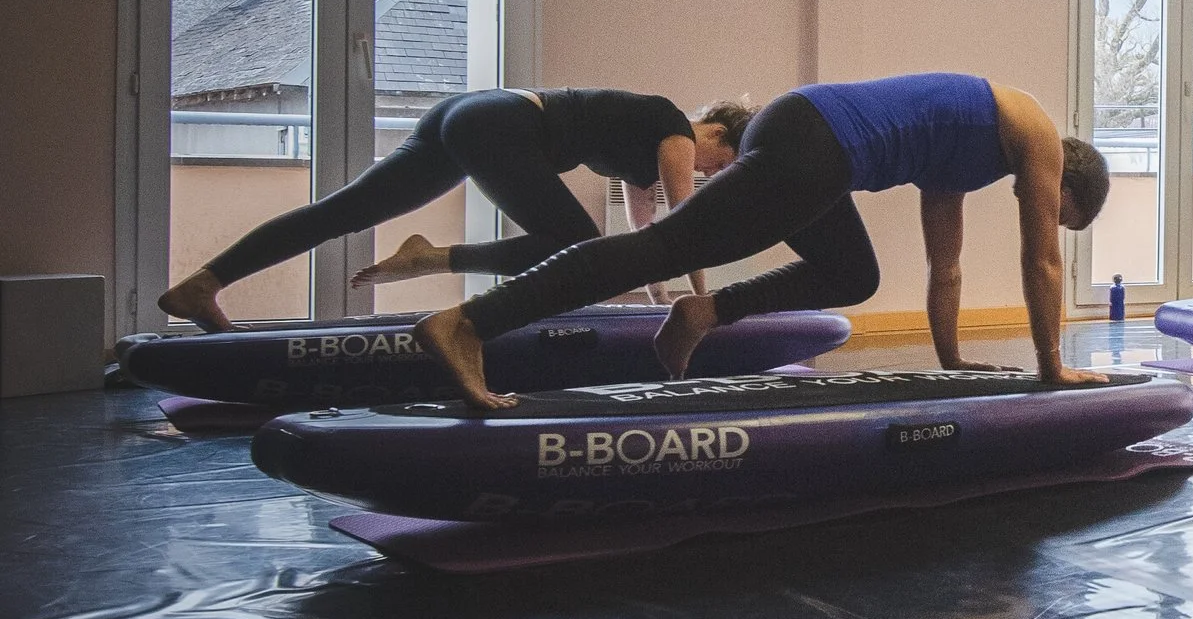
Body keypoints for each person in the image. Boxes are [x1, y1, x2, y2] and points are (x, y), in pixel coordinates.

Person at [411, 72, 1112, 408]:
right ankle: (469, 323)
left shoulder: (970, 149)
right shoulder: (1036, 131)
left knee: (851, 274)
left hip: (814, 135)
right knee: (667, 247)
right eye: (1061, 210)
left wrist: (954, 359)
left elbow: (946, 265)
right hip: (815, 141)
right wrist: (1053, 366)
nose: (1045, 214)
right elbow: (1041, 260)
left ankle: (702, 313)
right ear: (1070, 182)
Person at [159, 87, 744, 331]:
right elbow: (684, 226)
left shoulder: (647, 153)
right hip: (500, 124)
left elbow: (648, 244)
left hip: (467, 116)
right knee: (575, 245)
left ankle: (202, 284)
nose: (714, 173)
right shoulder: (673, 129)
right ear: (716, 130)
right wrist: (701, 297)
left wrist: (664, 306)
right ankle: (432, 258)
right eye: (724, 162)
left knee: (344, 211)